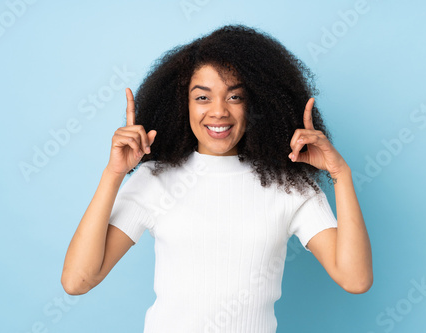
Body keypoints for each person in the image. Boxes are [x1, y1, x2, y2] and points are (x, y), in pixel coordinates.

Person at [61, 24, 372, 332]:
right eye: (202, 98)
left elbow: (355, 279)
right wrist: (114, 174)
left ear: (256, 104)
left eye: (234, 97)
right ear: (182, 105)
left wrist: (339, 173)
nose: (219, 111)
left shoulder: (289, 186)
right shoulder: (154, 180)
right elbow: (77, 281)